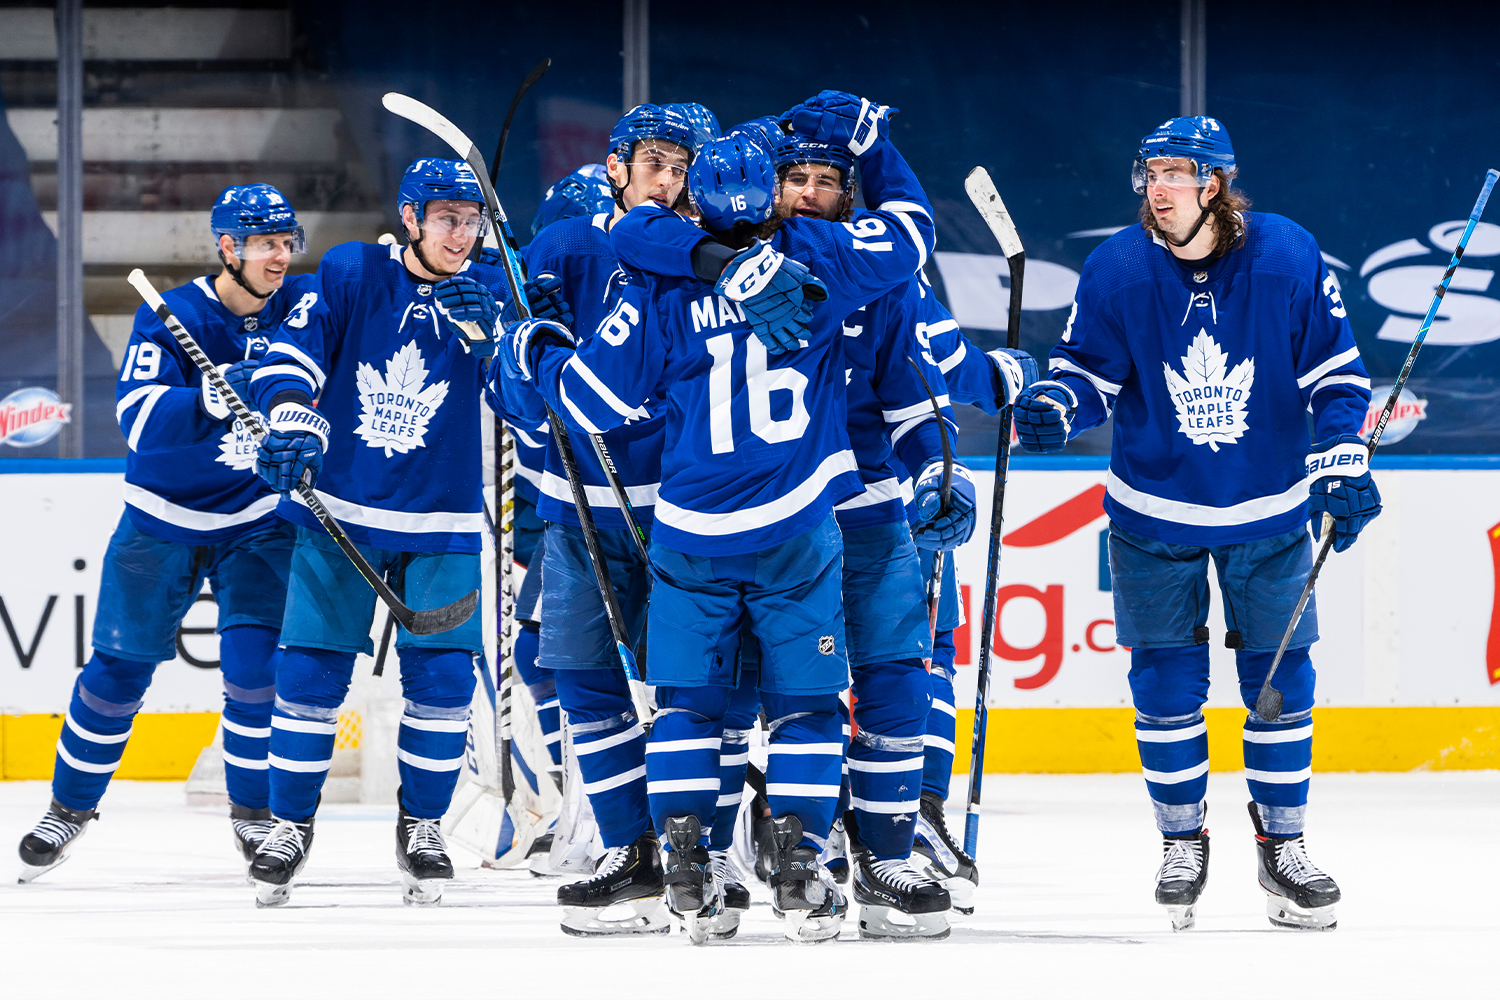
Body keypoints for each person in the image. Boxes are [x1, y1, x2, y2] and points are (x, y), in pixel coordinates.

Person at [503, 97, 939, 942]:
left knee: (689, 709)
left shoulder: (657, 281)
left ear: (696, 197)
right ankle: (806, 861)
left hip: (691, 533)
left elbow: (591, 398)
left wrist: (536, 350)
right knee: (809, 706)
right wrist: (875, 143)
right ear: (774, 195)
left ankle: (688, 858)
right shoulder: (823, 255)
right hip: (795, 528)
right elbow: (913, 230)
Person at [605, 104, 1031, 937]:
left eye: (825, 180)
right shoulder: (761, 257)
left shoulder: (875, 275)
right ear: (768, 184)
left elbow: (919, 401)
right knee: (739, 699)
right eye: (792, 177)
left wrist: (942, 472)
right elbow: (636, 236)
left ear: (846, 191)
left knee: (891, 684)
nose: (805, 192)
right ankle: (738, 858)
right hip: (784, 525)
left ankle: (877, 856)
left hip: (860, 516)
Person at [1013, 116, 1377, 931]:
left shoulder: (1285, 254)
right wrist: (1054, 408)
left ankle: (1283, 846)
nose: (1158, 189)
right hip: (1153, 517)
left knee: (1281, 688)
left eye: (1176, 174)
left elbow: (1335, 376)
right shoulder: (1115, 267)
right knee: (1167, 691)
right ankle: (1183, 840)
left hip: (1269, 515)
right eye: (1150, 174)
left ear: (1214, 183)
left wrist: (1344, 458)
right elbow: (1085, 375)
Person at [16, 184, 314, 882]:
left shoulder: (302, 309)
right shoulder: (173, 316)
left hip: (257, 522)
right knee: (117, 673)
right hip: (163, 522)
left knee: (256, 675)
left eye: (285, 241)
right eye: (265, 243)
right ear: (227, 247)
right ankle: (70, 807)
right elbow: (138, 422)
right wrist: (210, 395)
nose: (280, 256)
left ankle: (253, 816)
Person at [243, 157, 511, 907]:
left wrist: (497, 339)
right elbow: (291, 355)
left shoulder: (492, 288)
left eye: (472, 220)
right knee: (307, 680)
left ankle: (421, 826)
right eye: (447, 218)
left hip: (445, 521)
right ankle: (290, 826)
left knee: (446, 685)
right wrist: (295, 418)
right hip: (344, 516)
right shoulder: (354, 271)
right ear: (410, 216)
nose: (462, 234)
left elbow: (527, 399)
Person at [487, 103, 696, 937]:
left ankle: (700, 849)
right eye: (653, 162)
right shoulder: (568, 246)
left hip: (681, 511)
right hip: (575, 510)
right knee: (581, 676)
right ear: (615, 166)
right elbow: (508, 377)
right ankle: (627, 849)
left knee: (694, 685)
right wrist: (529, 362)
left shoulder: (697, 250)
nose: (667, 180)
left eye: (680, 167)